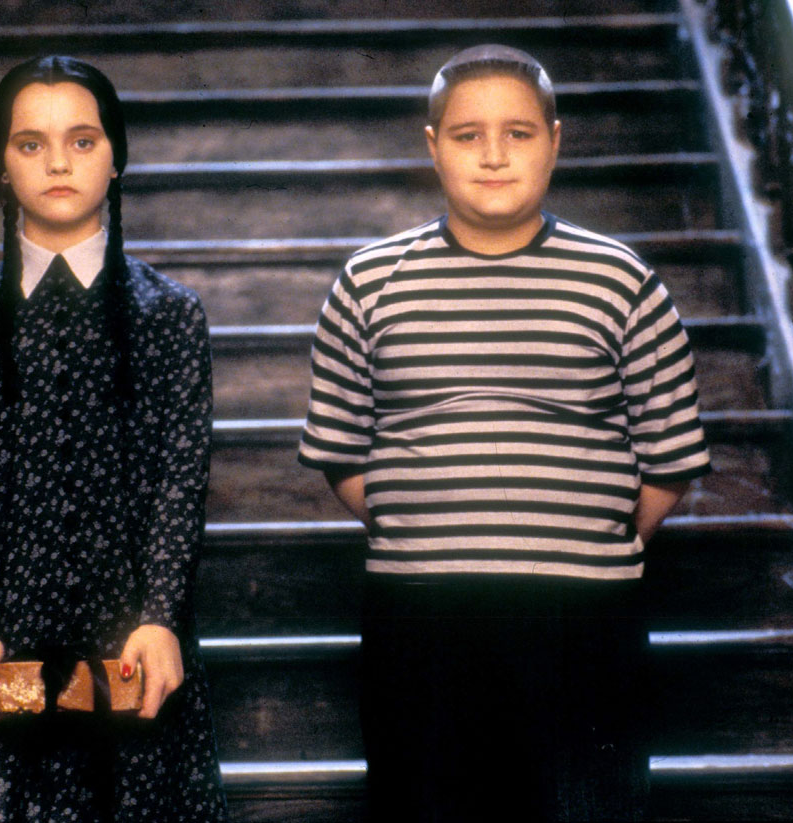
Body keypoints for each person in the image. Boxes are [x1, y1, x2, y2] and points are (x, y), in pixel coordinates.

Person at [298, 44, 711, 822]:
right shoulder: (369, 281)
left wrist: (584, 541)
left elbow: (668, 459)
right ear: (433, 147)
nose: (494, 155)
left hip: (585, 614)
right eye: (468, 135)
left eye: (518, 133)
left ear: (555, 140)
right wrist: (427, 527)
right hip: (418, 613)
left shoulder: (621, 281)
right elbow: (343, 452)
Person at [0, 56, 228, 822]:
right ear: (2, 164)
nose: (58, 162)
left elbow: (180, 482)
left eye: (82, 140)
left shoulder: (169, 315)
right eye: (31, 143)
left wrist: (160, 614)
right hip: (11, 650)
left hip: (133, 647)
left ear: (116, 158)